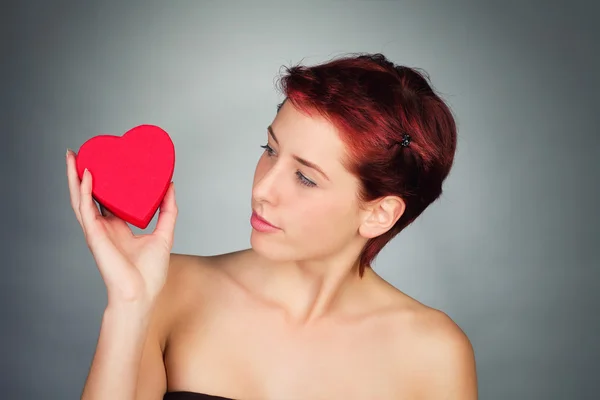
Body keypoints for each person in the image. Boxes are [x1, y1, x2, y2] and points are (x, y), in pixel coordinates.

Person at [67, 53, 477, 400]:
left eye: (305, 177)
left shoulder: (434, 353)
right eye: (270, 150)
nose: (262, 188)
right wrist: (128, 305)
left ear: (378, 214)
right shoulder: (169, 289)